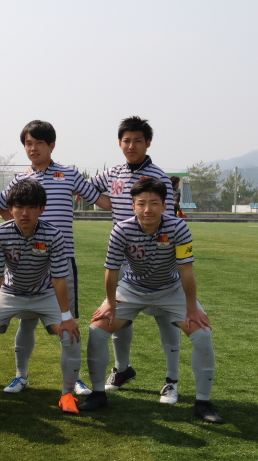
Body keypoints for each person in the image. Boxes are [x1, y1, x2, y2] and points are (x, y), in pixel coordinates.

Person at [79, 178, 223, 424]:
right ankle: (98, 394)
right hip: (132, 288)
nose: (148, 209)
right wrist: (111, 304)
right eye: (141, 203)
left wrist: (192, 308)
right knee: (97, 329)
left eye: (154, 203)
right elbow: (112, 270)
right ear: (133, 206)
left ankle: (203, 403)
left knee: (203, 334)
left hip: (171, 289)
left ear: (165, 205)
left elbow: (186, 271)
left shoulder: (178, 227)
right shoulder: (122, 229)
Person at [0, 120, 107, 396]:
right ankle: (21, 376)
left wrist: (142, 204)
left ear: (52, 145)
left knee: (67, 323)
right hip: (26, 260)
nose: (33, 148)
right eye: (28, 143)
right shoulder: (20, 180)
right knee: (26, 319)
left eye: (38, 143)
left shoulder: (68, 174)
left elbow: (101, 200)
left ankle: (75, 379)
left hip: (62, 261)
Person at [88, 116, 182, 404]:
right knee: (119, 318)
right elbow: (89, 189)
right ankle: (122, 369)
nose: (131, 146)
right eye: (126, 140)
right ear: (119, 143)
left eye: (137, 140)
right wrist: (107, 203)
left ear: (148, 143)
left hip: (156, 258)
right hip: (124, 254)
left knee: (166, 317)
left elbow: (168, 221)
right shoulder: (112, 173)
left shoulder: (158, 177)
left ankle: (172, 381)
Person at [0, 180, 81, 412]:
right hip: (10, 293)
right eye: (19, 206)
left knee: (70, 336)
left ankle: (67, 394)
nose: (25, 213)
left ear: (42, 209)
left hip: (44, 293)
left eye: (31, 207)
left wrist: (66, 316)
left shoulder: (53, 234)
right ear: (11, 208)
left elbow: (59, 279)